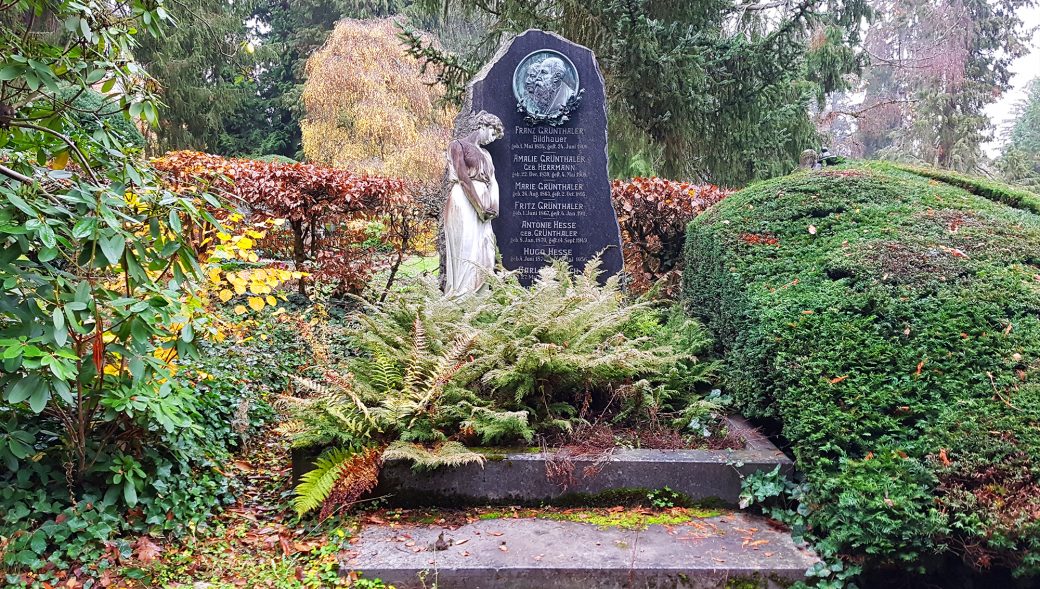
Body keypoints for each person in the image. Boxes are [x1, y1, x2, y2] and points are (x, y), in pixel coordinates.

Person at [442, 111, 504, 296]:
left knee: (486, 251)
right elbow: (463, 178)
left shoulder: (486, 154)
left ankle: (480, 300)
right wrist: (480, 206)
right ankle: (462, 298)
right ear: (484, 125)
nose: (493, 139)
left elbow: (493, 181)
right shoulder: (458, 145)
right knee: (466, 250)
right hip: (464, 203)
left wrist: (493, 207)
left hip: (484, 211)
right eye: (493, 133)